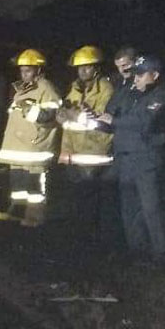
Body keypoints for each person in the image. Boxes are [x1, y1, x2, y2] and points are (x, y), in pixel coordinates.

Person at [104, 55, 165, 262]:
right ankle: (137, 251)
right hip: (125, 159)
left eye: (141, 75)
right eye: (136, 75)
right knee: (129, 208)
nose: (137, 79)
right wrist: (96, 119)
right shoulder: (129, 94)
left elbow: (144, 121)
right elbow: (111, 115)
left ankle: (160, 253)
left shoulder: (161, 95)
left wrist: (114, 120)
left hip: (145, 159)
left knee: (151, 208)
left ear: (155, 75)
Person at [0, 49, 62, 227]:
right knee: (18, 184)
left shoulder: (46, 88)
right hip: (18, 148)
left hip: (35, 149)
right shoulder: (21, 90)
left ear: (38, 70)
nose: (24, 74)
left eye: (28, 70)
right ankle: (17, 213)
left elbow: (51, 115)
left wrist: (29, 110)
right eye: (22, 70)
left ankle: (34, 219)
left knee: (34, 188)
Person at [56, 46, 115, 236]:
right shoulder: (74, 88)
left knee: (89, 198)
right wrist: (62, 115)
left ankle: (90, 237)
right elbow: (64, 113)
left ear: (97, 68)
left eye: (87, 67)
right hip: (72, 152)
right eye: (79, 67)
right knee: (75, 196)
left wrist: (75, 116)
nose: (82, 71)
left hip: (93, 151)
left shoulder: (105, 89)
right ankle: (77, 232)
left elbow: (100, 120)